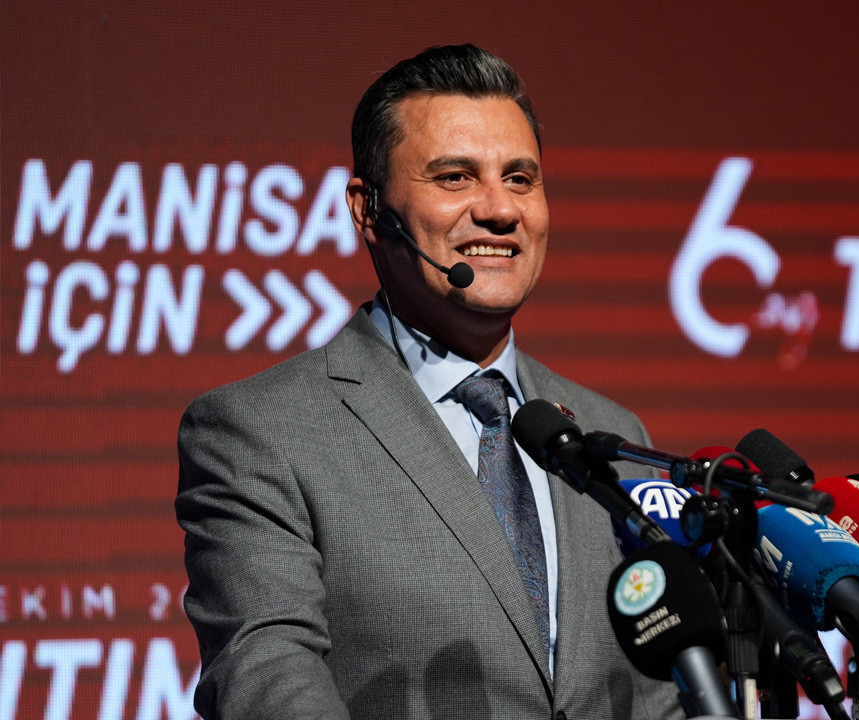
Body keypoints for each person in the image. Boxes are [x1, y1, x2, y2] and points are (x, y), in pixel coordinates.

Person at [176, 44, 680, 720]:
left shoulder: (610, 434)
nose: (500, 210)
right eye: (455, 177)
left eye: (520, 178)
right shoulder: (261, 432)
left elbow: (658, 690)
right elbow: (266, 679)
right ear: (367, 209)